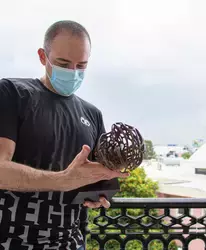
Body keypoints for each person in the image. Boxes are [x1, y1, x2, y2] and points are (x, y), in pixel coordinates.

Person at [0, 20, 129, 250]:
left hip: (71, 243)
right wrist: (62, 181)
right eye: (63, 63)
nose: (73, 72)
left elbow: (92, 177)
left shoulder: (92, 114)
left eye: (82, 65)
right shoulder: (12, 94)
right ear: (43, 57)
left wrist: (99, 192)